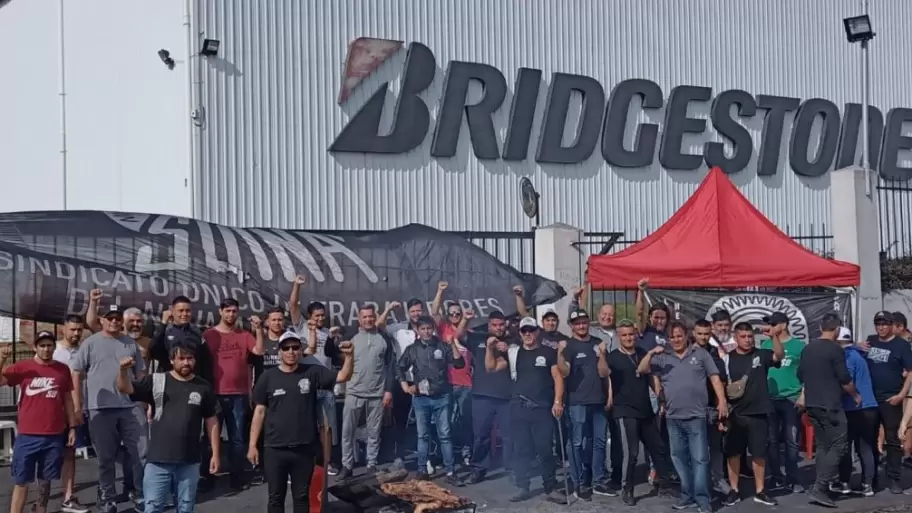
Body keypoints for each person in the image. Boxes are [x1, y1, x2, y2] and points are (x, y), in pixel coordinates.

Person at [248, 331, 354, 513]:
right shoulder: (267, 377)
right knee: (275, 498)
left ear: (300, 350)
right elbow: (259, 412)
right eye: (286, 348)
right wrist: (252, 445)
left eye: (295, 347)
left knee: (302, 497)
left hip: (304, 449)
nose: (291, 351)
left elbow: (343, 376)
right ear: (279, 352)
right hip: (274, 449)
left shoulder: (312, 372)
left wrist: (350, 357)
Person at [116, 341, 221, 513]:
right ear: (172, 360)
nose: (186, 362)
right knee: (154, 507)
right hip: (158, 460)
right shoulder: (157, 381)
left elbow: (212, 421)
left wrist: (215, 454)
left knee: (186, 507)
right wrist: (122, 370)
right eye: (181, 358)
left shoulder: (203, 386)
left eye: (190, 358)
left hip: (189, 460)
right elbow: (125, 388)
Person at [639, 321, 727, 513]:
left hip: (697, 416)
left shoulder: (701, 354)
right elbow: (642, 369)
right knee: (679, 459)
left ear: (686, 336)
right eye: (672, 337)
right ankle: (687, 496)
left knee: (700, 459)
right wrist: (652, 352)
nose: (676, 340)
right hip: (673, 417)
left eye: (679, 336)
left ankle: (703, 499)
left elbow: (714, 378)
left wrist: (722, 401)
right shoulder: (663, 357)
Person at [69, 304, 147, 513]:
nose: (114, 321)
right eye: (110, 318)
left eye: (117, 318)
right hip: (100, 408)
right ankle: (108, 497)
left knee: (141, 452)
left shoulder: (130, 343)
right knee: (106, 457)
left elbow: (140, 375)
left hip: (130, 407)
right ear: (102, 320)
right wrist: (78, 405)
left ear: (122, 320)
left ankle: (140, 493)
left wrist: (144, 402)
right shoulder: (90, 343)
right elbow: (75, 373)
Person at [1, 332, 78, 513]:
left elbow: (68, 399)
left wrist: (72, 427)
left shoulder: (63, 369)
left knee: (45, 480)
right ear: (35, 347)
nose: (46, 349)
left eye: (49, 345)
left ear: (54, 347)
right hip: (28, 435)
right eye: (42, 345)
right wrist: (2, 359)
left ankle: (40, 509)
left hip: (54, 435)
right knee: (21, 480)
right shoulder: (23, 367)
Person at [201, 299, 265, 490]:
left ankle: (236, 477)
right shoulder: (208, 335)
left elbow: (259, 351)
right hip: (215, 394)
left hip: (239, 395)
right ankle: (208, 476)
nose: (231, 314)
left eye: (234, 311)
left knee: (237, 439)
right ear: (220, 311)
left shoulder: (244, 335)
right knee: (210, 438)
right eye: (227, 311)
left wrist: (259, 329)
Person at [797, 314, 859, 507]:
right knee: (839, 445)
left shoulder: (808, 348)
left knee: (824, 445)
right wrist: (856, 394)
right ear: (837, 330)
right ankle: (821, 486)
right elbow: (844, 378)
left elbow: (800, 374)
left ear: (819, 327)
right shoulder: (835, 350)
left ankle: (820, 486)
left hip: (813, 404)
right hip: (830, 404)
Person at [721, 322, 784, 507]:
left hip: (759, 413)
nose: (747, 340)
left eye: (750, 336)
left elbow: (779, 355)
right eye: (743, 337)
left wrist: (774, 337)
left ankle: (760, 491)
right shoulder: (727, 359)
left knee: (759, 454)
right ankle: (734, 490)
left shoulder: (761, 354)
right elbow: (721, 386)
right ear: (736, 337)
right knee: (734, 454)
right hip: (736, 414)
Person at [398, 315, 465, 484]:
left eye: (429, 328)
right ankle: (422, 471)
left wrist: (453, 345)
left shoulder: (442, 346)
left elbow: (459, 364)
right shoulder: (412, 349)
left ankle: (450, 472)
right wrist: (405, 386)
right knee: (423, 436)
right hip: (421, 399)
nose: (427, 332)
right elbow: (399, 367)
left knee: (445, 435)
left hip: (442, 397)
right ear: (418, 330)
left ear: (433, 329)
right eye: (423, 329)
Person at [605, 319, 666, 506]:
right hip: (624, 409)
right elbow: (608, 379)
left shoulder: (640, 352)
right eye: (624, 335)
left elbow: (649, 375)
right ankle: (627, 488)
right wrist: (609, 400)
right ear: (618, 336)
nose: (628, 338)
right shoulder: (613, 356)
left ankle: (665, 482)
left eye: (631, 334)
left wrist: (661, 397)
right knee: (631, 452)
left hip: (645, 407)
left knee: (658, 447)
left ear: (636, 335)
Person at [504, 318, 564, 502]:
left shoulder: (547, 352)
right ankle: (523, 487)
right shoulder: (514, 353)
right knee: (521, 450)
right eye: (524, 330)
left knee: (545, 450)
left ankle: (550, 488)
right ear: (520, 333)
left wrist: (558, 401)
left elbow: (557, 377)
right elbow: (491, 366)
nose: (528, 334)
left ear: (537, 331)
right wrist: (490, 348)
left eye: (531, 330)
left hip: (542, 408)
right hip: (519, 406)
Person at [559, 309, 612, 500]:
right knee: (576, 443)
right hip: (576, 402)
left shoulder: (597, 344)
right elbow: (563, 372)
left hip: (597, 400)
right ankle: (578, 484)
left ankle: (598, 481)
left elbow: (605, 373)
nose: (581, 326)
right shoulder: (568, 345)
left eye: (584, 322)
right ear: (572, 326)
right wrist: (559, 352)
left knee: (598, 443)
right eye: (577, 323)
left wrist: (602, 356)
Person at [339, 305, 396, 479]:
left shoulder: (384, 337)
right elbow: (337, 356)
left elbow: (389, 366)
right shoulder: (350, 336)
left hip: (376, 393)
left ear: (375, 317)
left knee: (374, 432)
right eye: (365, 317)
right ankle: (347, 466)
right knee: (348, 431)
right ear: (359, 319)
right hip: (354, 391)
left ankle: (371, 464)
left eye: (371, 317)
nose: (368, 320)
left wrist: (388, 390)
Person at [862, 310, 912, 493]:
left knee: (892, 440)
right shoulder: (870, 340)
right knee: (870, 439)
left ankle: (894, 478)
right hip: (870, 399)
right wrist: (858, 347)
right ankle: (870, 477)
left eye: (884, 324)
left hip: (891, 399)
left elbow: (910, 371)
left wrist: (901, 394)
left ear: (892, 325)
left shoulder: (901, 345)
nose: (881, 327)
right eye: (878, 324)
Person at [466, 311, 515, 484]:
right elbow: (456, 336)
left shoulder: (513, 341)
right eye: (494, 325)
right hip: (482, 394)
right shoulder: (478, 339)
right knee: (481, 435)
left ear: (505, 325)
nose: (498, 328)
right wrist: (465, 318)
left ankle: (512, 469)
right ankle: (478, 469)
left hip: (506, 396)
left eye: (501, 324)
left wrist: (509, 350)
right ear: (489, 325)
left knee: (510, 435)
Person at [760, 312, 805, 492]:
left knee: (791, 441)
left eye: (774, 324)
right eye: (769, 323)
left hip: (791, 398)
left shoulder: (799, 346)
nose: (770, 326)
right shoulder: (765, 344)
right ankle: (776, 476)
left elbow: (807, 372)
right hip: (770, 398)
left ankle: (792, 478)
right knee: (771, 441)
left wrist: (804, 394)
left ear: (784, 325)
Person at [52, 316, 91, 513]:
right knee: (47, 457)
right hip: (50, 412)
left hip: (73, 411)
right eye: (72, 329)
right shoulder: (53, 350)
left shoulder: (84, 350)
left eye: (79, 330)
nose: (76, 333)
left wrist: (78, 409)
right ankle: (41, 499)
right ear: (63, 329)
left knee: (70, 455)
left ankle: (68, 498)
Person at [248, 306, 289, 485]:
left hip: (285, 394)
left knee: (284, 431)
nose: (277, 323)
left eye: (280, 319)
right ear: (267, 322)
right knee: (262, 433)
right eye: (273, 319)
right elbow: (250, 364)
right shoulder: (260, 341)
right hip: (263, 393)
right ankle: (260, 468)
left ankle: (285, 468)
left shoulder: (289, 341)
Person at [836, 327, 878, 497]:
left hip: (853, 407)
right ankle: (867, 485)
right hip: (870, 406)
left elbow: (847, 382)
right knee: (865, 447)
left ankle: (845, 483)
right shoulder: (858, 353)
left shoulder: (846, 357)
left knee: (846, 447)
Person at [692, 319, 731, 495]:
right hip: (690, 408)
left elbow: (721, 381)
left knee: (715, 447)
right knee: (694, 449)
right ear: (693, 333)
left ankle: (718, 479)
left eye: (706, 334)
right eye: (699, 333)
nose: (703, 337)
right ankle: (696, 483)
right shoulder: (686, 352)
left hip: (710, 407)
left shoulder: (715, 354)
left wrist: (721, 406)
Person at [149, 296, 213, 385]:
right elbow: (153, 351)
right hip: (168, 383)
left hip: (192, 383)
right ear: (172, 311)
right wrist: (163, 323)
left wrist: (207, 385)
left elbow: (205, 361)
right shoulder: (165, 331)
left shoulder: (197, 333)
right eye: (181, 310)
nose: (185, 314)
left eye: (188, 311)